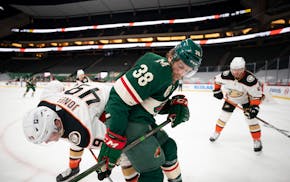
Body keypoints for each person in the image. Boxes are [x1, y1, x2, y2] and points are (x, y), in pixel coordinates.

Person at [97, 38, 203, 182]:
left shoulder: (171, 78)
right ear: (172, 56)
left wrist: (173, 106)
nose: (181, 73)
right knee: (153, 175)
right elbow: (118, 98)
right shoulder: (159, 68)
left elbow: (150, 104)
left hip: (142, 121)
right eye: (180, 66)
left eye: (187, 71)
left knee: (169, 148)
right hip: (126, 122)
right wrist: (113, 137)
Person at [22, 82, 139, 182]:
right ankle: (74, 168)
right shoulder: (46, 101)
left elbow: (115, 142)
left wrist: (109, 163)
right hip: (91, 90)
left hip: (111, 99)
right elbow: (55, 84)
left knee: (123, 153)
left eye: (48, 137)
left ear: (56, 123)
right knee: (75, 138)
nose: (47, 142)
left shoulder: (85, 130)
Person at [210, 57, 263, 152]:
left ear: (244, 69)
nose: (236, 72)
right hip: (231, 99)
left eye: (239, 70)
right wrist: (216, 90)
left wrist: (255, 107)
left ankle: (256, 139)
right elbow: (216, 80)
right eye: (234, 70)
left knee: (251, 120)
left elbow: (256, 96)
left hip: (246, 101)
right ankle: (216, 132)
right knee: (223, 116)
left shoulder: (250, 80)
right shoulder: (226, 75)